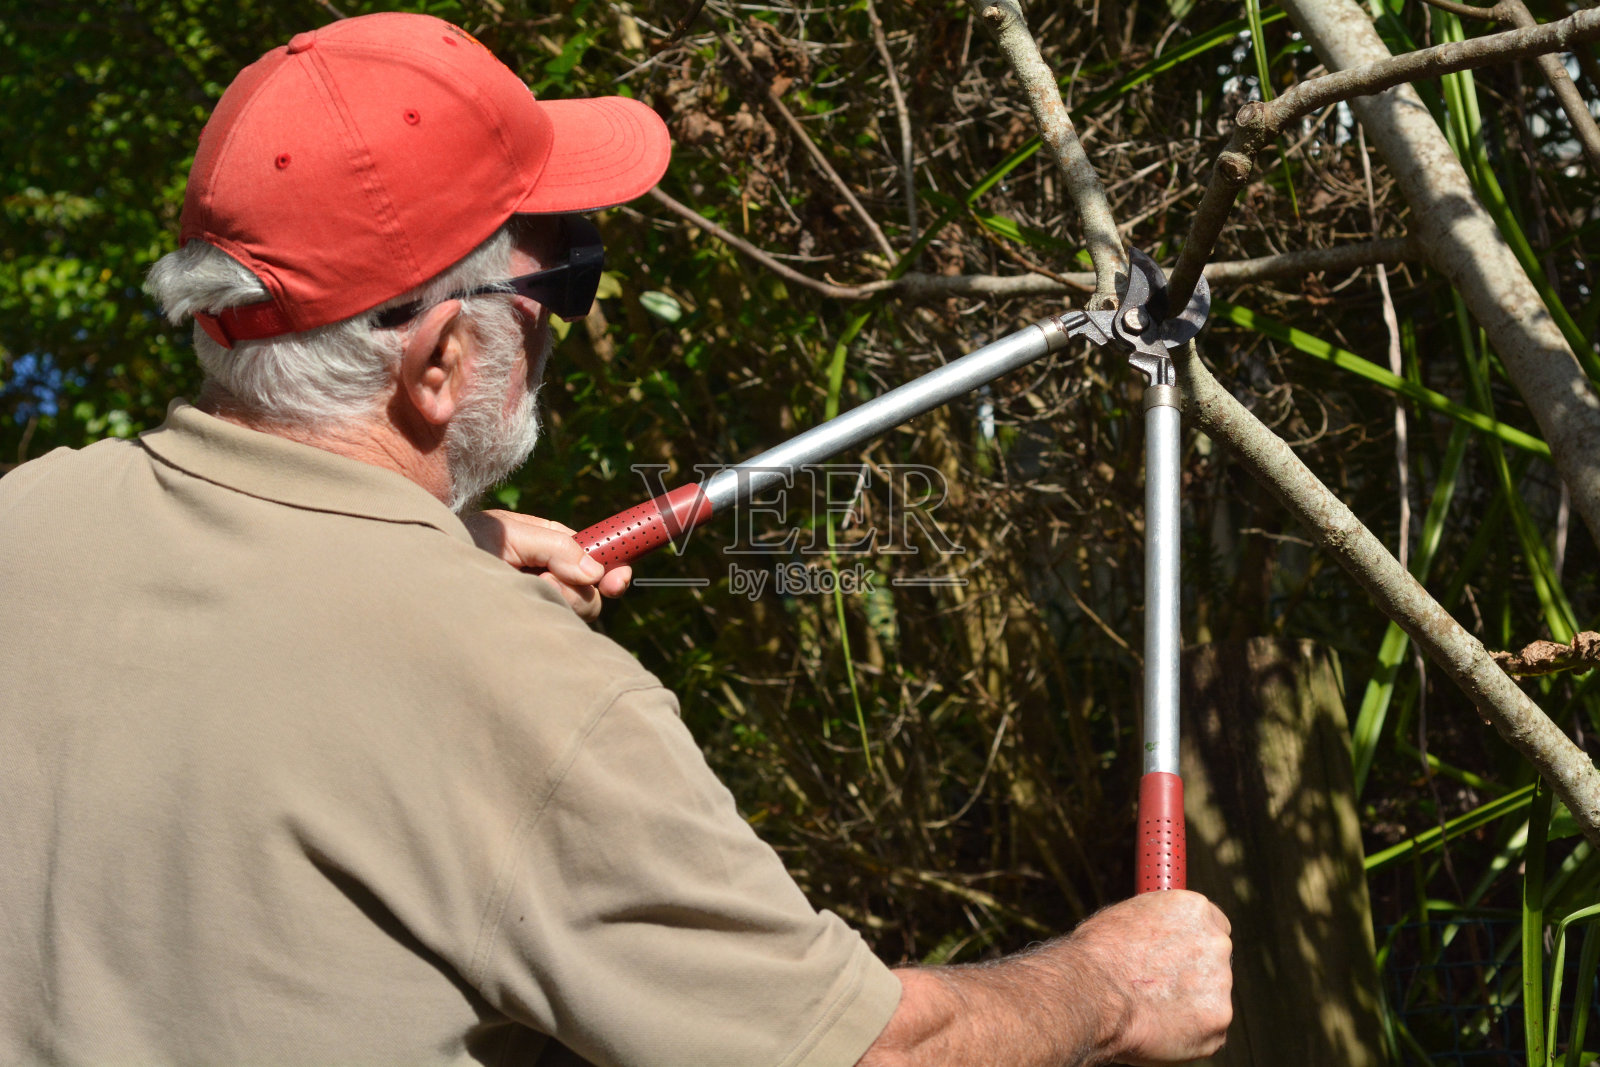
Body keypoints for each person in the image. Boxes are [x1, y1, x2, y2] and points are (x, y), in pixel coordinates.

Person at [0, 12, 1231, 1066]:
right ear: (439, 362)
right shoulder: (520, 690)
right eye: (564, 279)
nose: (568, 329)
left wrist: (431, 546)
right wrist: (1113, 985)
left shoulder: (28, 517)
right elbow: (854, 1049)